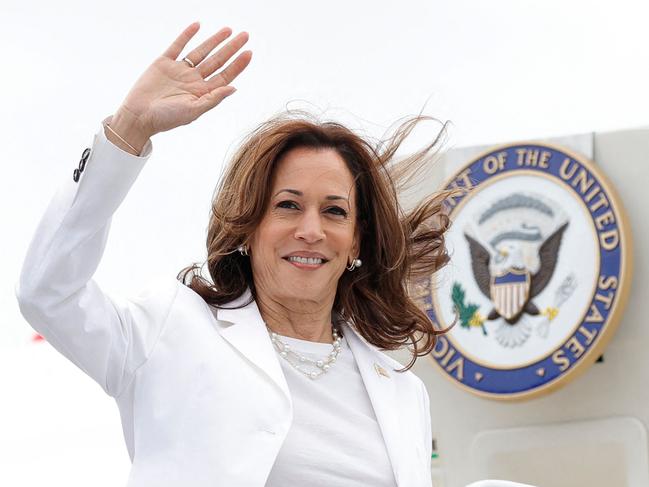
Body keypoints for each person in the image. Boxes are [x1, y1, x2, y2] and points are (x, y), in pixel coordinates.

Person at [15, 22, 452, 487]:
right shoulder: (170, 330)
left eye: (334, 211)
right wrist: (129, 130)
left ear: (357, 242)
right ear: (248, 226)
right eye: (287, 205)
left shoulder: (402, 390)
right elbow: (48, 292)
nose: (311, 230)